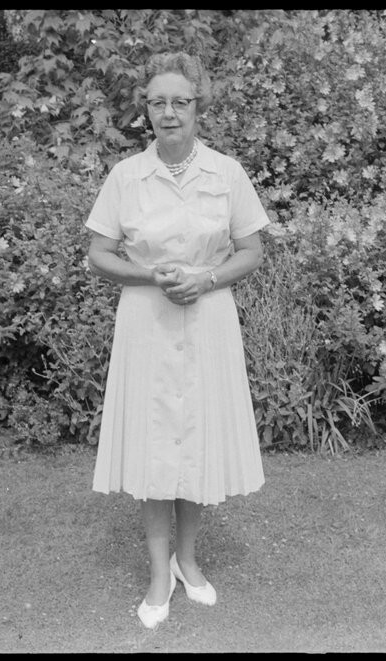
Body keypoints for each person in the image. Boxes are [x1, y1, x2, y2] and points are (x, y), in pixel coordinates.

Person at [84, 51, 269, 629]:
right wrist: (152, 276)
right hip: (146, 322)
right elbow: (98, 254)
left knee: (197, 441)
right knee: (155, 443)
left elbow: (252, 249)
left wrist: (206, 277)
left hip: (209, 320)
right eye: (159, 102)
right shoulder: (126, 176)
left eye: (180, 102)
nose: (169, 112)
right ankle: (159, 571)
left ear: (197, 109)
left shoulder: (228, 173)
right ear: (147, 111)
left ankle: (189, 560)